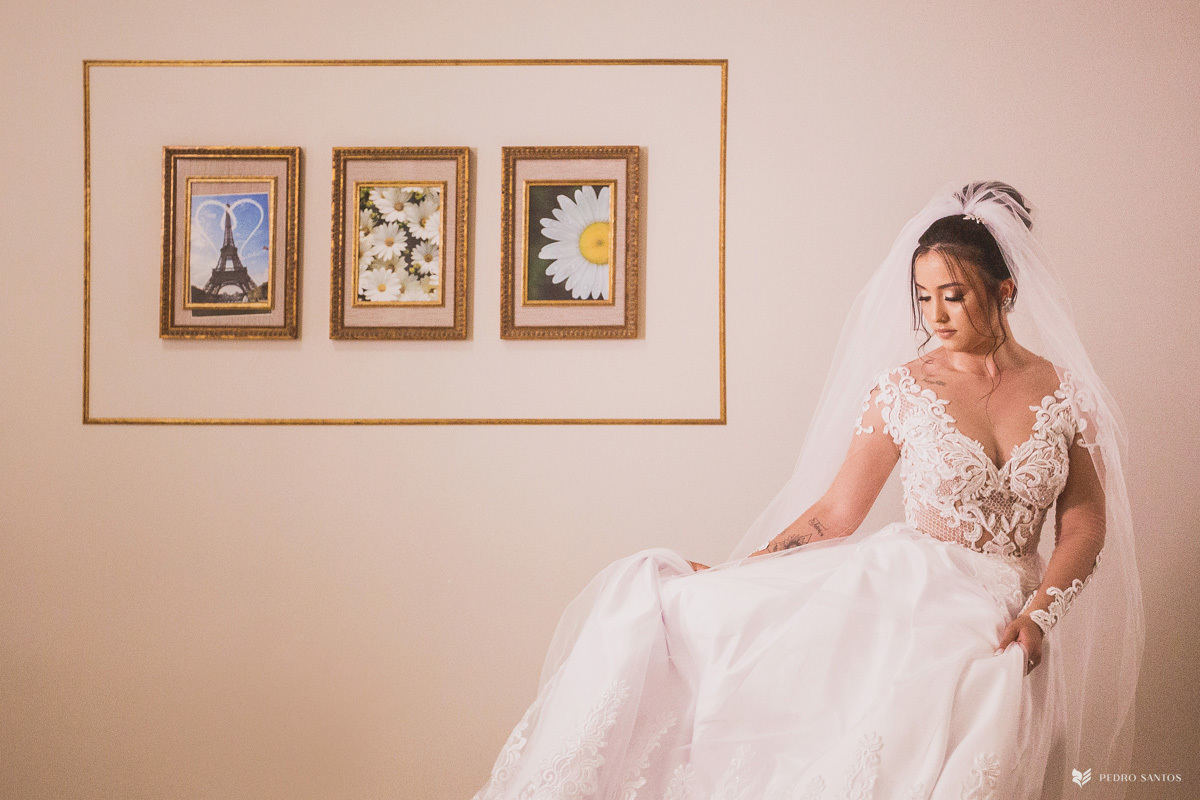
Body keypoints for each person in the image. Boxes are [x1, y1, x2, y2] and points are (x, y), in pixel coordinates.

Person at [471, 182, 1144, 800]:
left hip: (1010, 611)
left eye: (955, 295)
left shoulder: (1065, 392)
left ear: (1005, 289)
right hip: (913, 604)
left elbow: (1084, 522)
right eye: (923, 295)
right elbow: (835, 513)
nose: (936, 313)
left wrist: (1039, 615)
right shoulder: (903, 390)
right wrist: (740, 572)